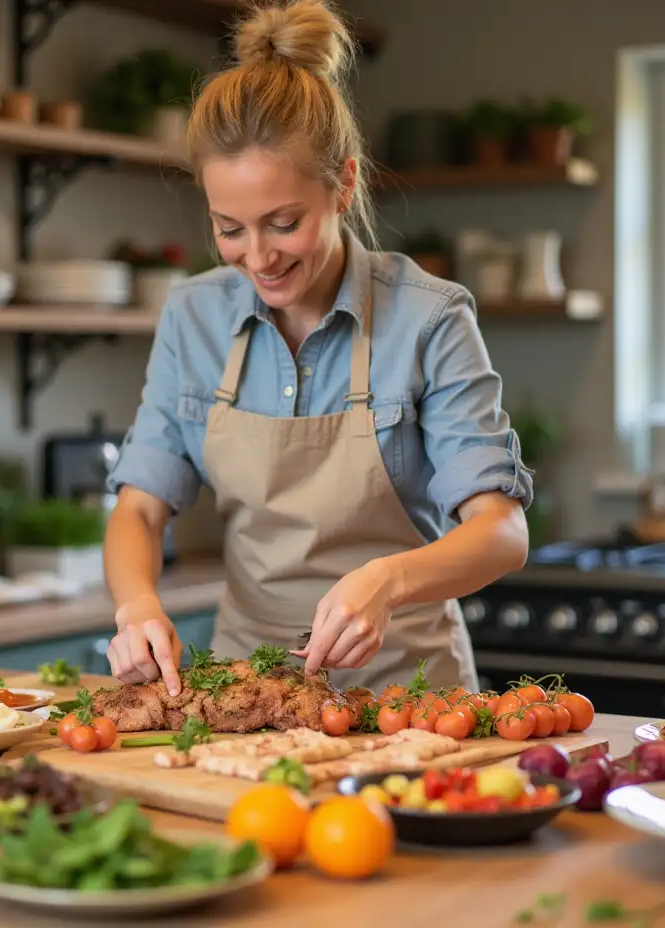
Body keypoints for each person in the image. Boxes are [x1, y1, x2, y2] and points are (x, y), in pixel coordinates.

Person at [102, 0, 533, 698]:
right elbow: (140, 508)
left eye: (282, 222)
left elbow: (501, 531)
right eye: (230, 228)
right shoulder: (193, 315)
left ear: (345, 186)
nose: (259, 257)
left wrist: (387, 580)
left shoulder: (429, 318)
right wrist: (137, 604)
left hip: (408, 691)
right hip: (247, 691)